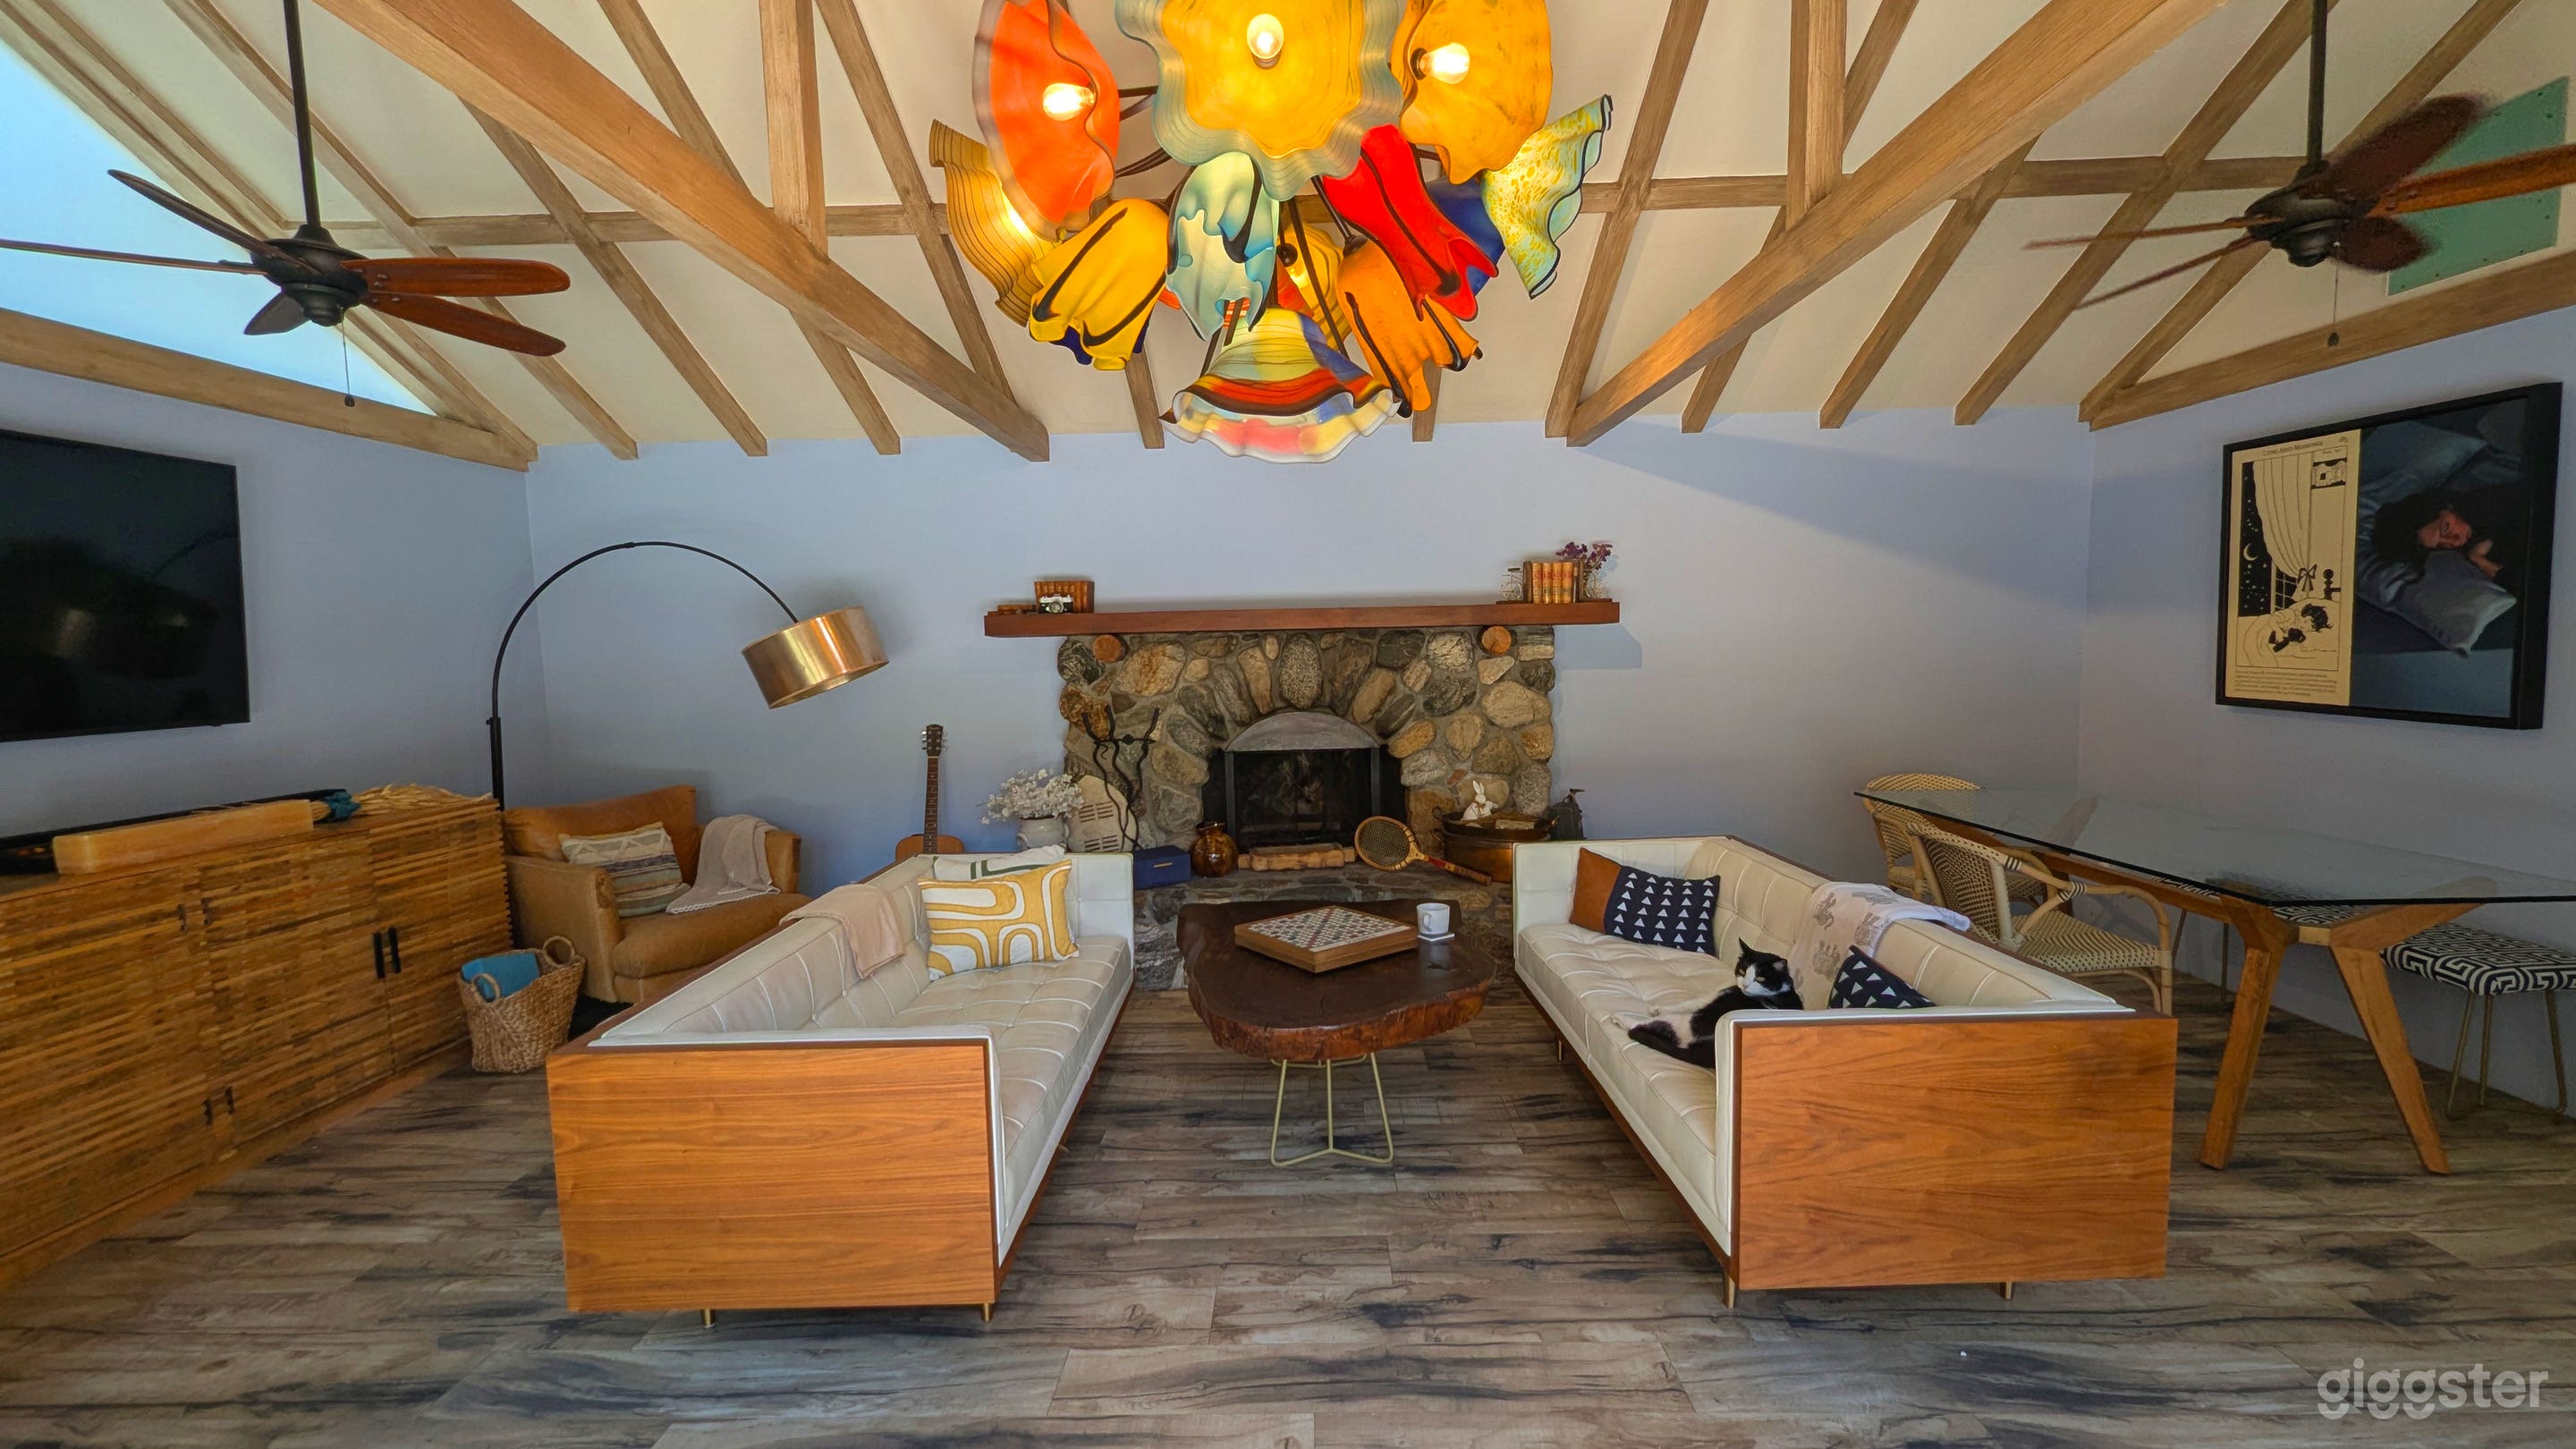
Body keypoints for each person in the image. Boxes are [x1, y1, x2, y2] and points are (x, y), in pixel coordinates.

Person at [2370, 487, 2529, 591]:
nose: (2454, 541)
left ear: (2446, 507)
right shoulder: (2472, 547)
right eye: (2441, 545)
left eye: (2446, 529)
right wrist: (2479, 559)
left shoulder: (2489, 503)